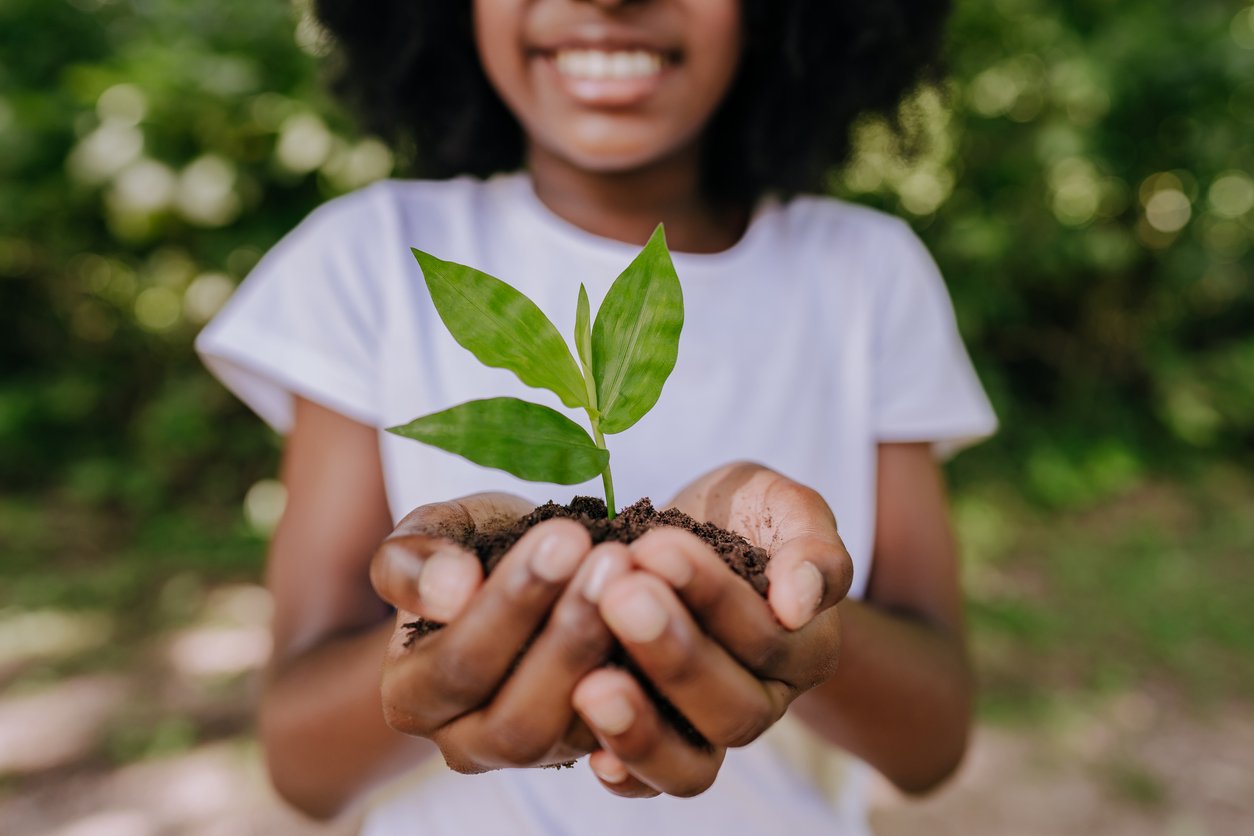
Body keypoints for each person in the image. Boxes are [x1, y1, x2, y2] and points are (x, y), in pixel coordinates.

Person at [196, 0, 997, 832]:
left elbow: (932, 741)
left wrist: (783, 613)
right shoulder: (364, 262)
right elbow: (300, 761)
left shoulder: (867, 273)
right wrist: (461, 636)